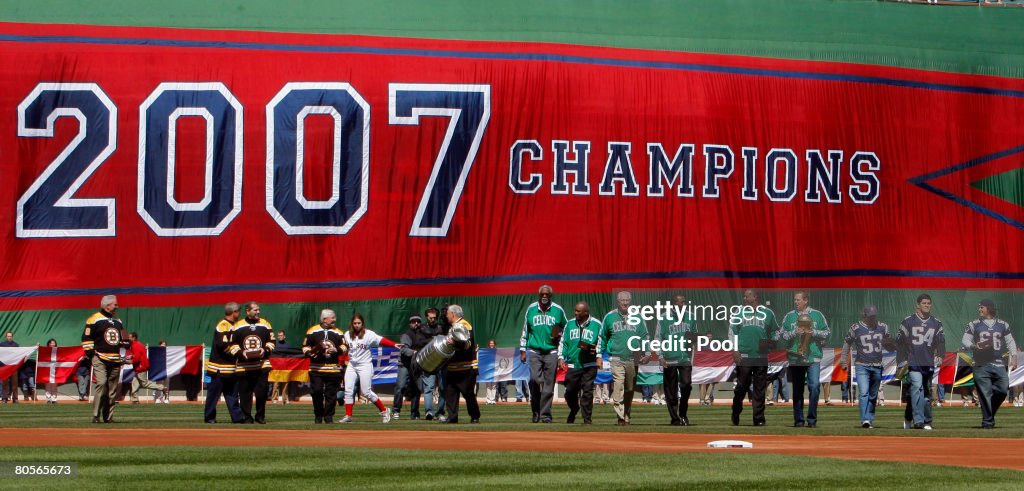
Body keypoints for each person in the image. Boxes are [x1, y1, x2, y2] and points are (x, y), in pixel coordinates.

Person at [961, 299, 1018, 429]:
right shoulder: (974, 324)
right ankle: (987, 422)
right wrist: (974, 346)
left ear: (989, 308)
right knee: (984, 393)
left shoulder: (1003, 324)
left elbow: (1010, 342)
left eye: (982, 307)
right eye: (979, 307)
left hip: (998, 363)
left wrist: (1014, 357)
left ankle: (989, 412)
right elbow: (965, 340)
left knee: (1003, 390)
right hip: (981, 364)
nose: (979, 309)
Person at [777, 291, 829, 428]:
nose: (796, 302)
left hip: (813, 357)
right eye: (795, 300)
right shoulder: (789, 316)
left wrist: (814, 333)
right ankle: (799, 420)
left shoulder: (817, 315)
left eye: (798, 300)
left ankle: (812, 419)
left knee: (814, 387)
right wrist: (795, 332)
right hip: (796, 357)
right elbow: (782, 335)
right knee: (798, 390)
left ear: (806, 300)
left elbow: (827, 332)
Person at [519, 285, 568, 424]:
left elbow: (566, 328)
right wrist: (523, 349)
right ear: (539, 295)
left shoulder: (558, 310)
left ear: (551, 296)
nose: (545, 296)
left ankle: (545, 415)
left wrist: (558, 336)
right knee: (534, 380)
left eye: (547, 294)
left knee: (549, 385)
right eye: (542, 294)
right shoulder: (531, 309)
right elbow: (525, 330)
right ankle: (535, 410)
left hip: (552, 351)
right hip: (534, 351)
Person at [339, 313, 400, 423]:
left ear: (362, 324)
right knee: (348, 390)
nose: (357, 325)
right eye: (354, 323)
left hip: (365, 365)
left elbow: (380, 340)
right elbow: (344, 348)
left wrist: (394, 344)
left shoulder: (368, 334)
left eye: (359, 323)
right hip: (352, 365)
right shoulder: (347, 334)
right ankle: (348, 416)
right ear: (352, 324)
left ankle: (384, 410)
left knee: (366, 392)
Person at [897, 294, 945, 430]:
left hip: (928, 362)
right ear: (918, 305)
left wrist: (941, 355)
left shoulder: (936, 323)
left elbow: (941, 342)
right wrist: (901, 361)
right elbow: (899, 342)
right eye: (924, 303)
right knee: (917, 388)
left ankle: (923, 420)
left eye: (929, 303)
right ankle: (919, 421)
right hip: (913, 361)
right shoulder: (908, 321)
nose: (927, 305)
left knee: (925, 394)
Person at [731, 289, 778, 426]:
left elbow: (775, 330)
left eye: (747, 296)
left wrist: (772, 342)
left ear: (755, 297)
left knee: (759, 388)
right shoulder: (739, 313)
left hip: (761, 355)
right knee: (741, 386)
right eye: (744, 296)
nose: (745, 298)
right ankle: (736, 410)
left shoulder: (768, 313)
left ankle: (759, 419)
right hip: (744, 355)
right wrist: (735, 350)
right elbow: (733, 332)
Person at [601, 291, 649, 426]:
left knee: (629, 389)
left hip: (633, 359)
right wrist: (600, 354)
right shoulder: (610, 317)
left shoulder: (638, 317)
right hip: (616, 357)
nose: (625, 302)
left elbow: (644, 336)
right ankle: (620, 416)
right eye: (623, 300)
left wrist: (647, 352)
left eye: (627, 300)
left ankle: (627, 413)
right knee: (618, 386)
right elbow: (602, 336)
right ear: (618, 301)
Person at [840, 305, 892, 429]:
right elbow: (847, 343)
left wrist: (892, 344)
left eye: (874, 316)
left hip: (877, 365)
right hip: (861, 365)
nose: (872, 318)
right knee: (864, 392)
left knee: (873, 395)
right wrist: (843, 360)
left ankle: (870, 418)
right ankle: (865, 420)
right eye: (870, 316)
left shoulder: (883, 327)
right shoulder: (856, 328)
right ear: (864, 315)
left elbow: (889, 345)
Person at [82, 295, 130, 423]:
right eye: (115, 304)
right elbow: (86, 338)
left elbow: (124, 339)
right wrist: (91, 353)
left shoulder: (118, 321)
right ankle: (96, 415)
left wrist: (127, 344)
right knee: (101, 384)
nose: (117, 307)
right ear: (107, 305)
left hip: (115, 360)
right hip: (100, 358)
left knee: (112, 390)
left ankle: (108, 417)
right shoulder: (94, 319)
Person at [229, 301, 275, 424]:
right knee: (245, 394)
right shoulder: (237, 326)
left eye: (258, 309)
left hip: (262, 365)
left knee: (261, 394)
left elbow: (271, 342)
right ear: (248, 311)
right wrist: (241, 353)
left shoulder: (265, 324)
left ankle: (260, 416)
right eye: (255, 310)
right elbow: (232, 345)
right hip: (243, 367)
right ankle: (247, 417)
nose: (258, 312)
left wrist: (264, 351)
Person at [655, 294, 698, 425]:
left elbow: (695, 336)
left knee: (686, 385)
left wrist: (693, 341)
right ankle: (675, 418)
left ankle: (683, 413)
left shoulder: (690, 316)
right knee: (670, 389)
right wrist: (660, 356)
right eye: (679, 302)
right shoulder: (664, 318)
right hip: (669, 358)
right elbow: (658, 338)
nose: (682, 305)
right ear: (673, 303)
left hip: (685, 357)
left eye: (683, 302)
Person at [558, 301, 602, 424]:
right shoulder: (570, 324)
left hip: (589, 364)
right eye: (575, 310)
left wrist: (598, 355)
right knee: (570, 392)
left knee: (587, 392)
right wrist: (561, 357)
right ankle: (574, 409)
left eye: (578, 311)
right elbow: (563, 342)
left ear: (586, 312)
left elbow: (601, 341)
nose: (575, 313)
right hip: (573, 364)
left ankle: (587, 419)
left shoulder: (597, 324)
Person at [302, 309, 346, 424]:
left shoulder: (338, 332)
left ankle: (329, 417)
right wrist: (310, 353)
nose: (334, 320)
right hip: (316, 368)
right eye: (332, 317)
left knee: (331, 394)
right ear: (325, 319)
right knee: (316, 391)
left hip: (333, 369)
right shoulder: (312, 331)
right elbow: (305, 346)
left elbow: (345, 347)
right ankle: (318, 415)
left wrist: (336, 350)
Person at [204, 302, 243, 424]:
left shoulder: (236, 325)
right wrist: (238, 353)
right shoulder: (223, 325)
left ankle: (237, 418)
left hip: (231, 369)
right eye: (238, 311)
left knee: (232, 396)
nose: (239, 313)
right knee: (213, 395)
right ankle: (209, 417)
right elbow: (222, 345)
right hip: (218, 369)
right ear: (234, 312)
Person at [442, 305, 479, 424]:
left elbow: (467, 344)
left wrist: (455, 342)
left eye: (448, 313)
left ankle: (474, 416)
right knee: (450, 393)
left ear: (453, 314)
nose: (446, 316)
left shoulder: (464, 325)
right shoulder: (452, 327)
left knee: (468, 393)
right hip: (453, 367)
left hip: (466, 367)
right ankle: (452, 417)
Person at [395, 314, 431, 418]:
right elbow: (404, 350)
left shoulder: (423, 334)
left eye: (418, 321)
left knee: (416, 389)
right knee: (400, 387)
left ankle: (414, 413)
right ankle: (396, 410)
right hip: (405, 364)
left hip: (417, 365)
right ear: (410, 323)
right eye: (414, 321)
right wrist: (415, 352)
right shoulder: (407, 334)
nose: (416, 323)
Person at [125, 332, 169, 404]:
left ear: (134, 338)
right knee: (134, 383)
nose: (129, 338)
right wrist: (131, 356)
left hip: (141, 367)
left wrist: (127, 361)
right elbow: (138, 355)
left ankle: (162, 388)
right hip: (139, 367)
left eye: (130, 337)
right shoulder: (137, 344)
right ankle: (135, 400)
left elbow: (137, 359)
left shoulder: (135, 345)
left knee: (145, 384)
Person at [418, 308, 443, 420]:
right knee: (428, 388)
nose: (432, 319)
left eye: (434, 318)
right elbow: (418, 342)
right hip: (428, 362)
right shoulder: (422, 328)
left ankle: (440, 412)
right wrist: (432, 340)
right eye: (430, 317)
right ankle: (429, 412)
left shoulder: (441, 328)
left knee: (443, 388)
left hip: (441, 362)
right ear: (426, 317)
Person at [270, 330, 292, 404]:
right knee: (276, 384)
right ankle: (274, 399)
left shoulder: (288, 346)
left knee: (285, 384)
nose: (280, 337)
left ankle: (285, 399)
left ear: (284, 336)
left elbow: (291, 357)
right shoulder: (274, 345)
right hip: (276, 368)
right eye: (279, 335)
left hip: (285, 368)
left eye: (281, 335)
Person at [0, 332, 19, 403]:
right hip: (4, 367)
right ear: (6, 337)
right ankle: (4, 398)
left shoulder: (16, 345)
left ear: (12, 337)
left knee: (15, 383)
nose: (9, 337)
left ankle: (15, 398)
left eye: (10, 336)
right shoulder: (1, 345)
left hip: (13, 366)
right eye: (8, 336)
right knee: (4, 383)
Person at [43, 339, 60, 403]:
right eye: (51, 343)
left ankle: (54, 399)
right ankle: (48, 398)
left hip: (55, 370)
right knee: (47, 385)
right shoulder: (45, 350)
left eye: (54, 343)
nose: (53, 344)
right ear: (49, 344)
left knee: (54, 385)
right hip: (47, 370)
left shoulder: (57, 351)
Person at [484, 339, 499, 405]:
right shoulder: (486, 352)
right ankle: (488, 399)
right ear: (488, 344)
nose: (491, 344)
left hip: (495, 370)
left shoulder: (497, 351)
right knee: (488, 385)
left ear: (494, 344)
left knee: (494, 386)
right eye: (490, 343)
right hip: (488, 370)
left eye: (492, 343)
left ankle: (493, 399)